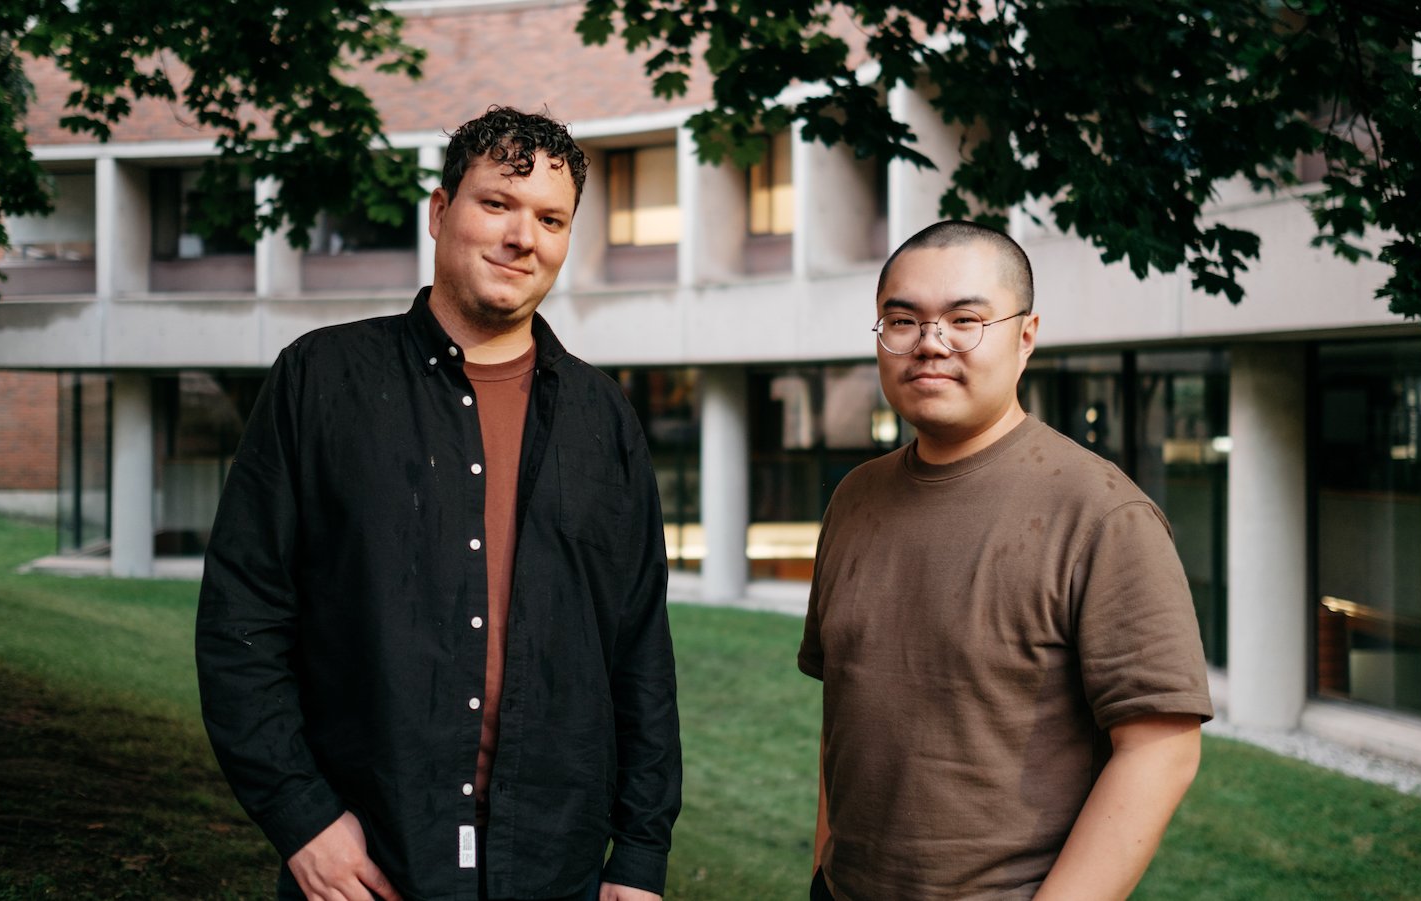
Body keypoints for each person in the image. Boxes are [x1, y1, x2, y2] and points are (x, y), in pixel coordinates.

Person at [196, 107, 680, 901]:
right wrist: (302, 817)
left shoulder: (604, 418)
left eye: (550, 219)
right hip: (368, 863)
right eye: (498, 203)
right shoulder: (320, 380)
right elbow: (241, 618)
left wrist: (638, 856)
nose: (523, 236)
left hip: (553, 865)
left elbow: (639, 652)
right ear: (439, 210)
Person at [799, 220, 1214, 900]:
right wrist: (823, 870)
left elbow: (1161, 750)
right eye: (902, 319)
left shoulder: (1104, 514)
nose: (930, 343)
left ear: (1025, 336)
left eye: (966, 319)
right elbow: (844, 712)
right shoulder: (854, 498)